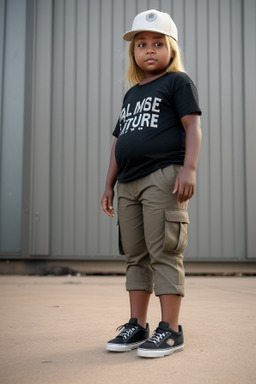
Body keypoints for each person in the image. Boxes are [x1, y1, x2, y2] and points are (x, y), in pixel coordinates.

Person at [101, 9, 202, 358]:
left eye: (158, 43)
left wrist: (188, 169)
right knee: (135, 255)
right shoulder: (131, 95)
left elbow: (192, 127)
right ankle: (137, 325)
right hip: (128, 183)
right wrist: (108, 184)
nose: (149, 50)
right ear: (133, 52)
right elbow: (119, 140)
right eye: (141, 44)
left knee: (165, 250)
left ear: (171, 48)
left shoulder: (178, 82)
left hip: (163, 176)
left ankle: (171, 330)